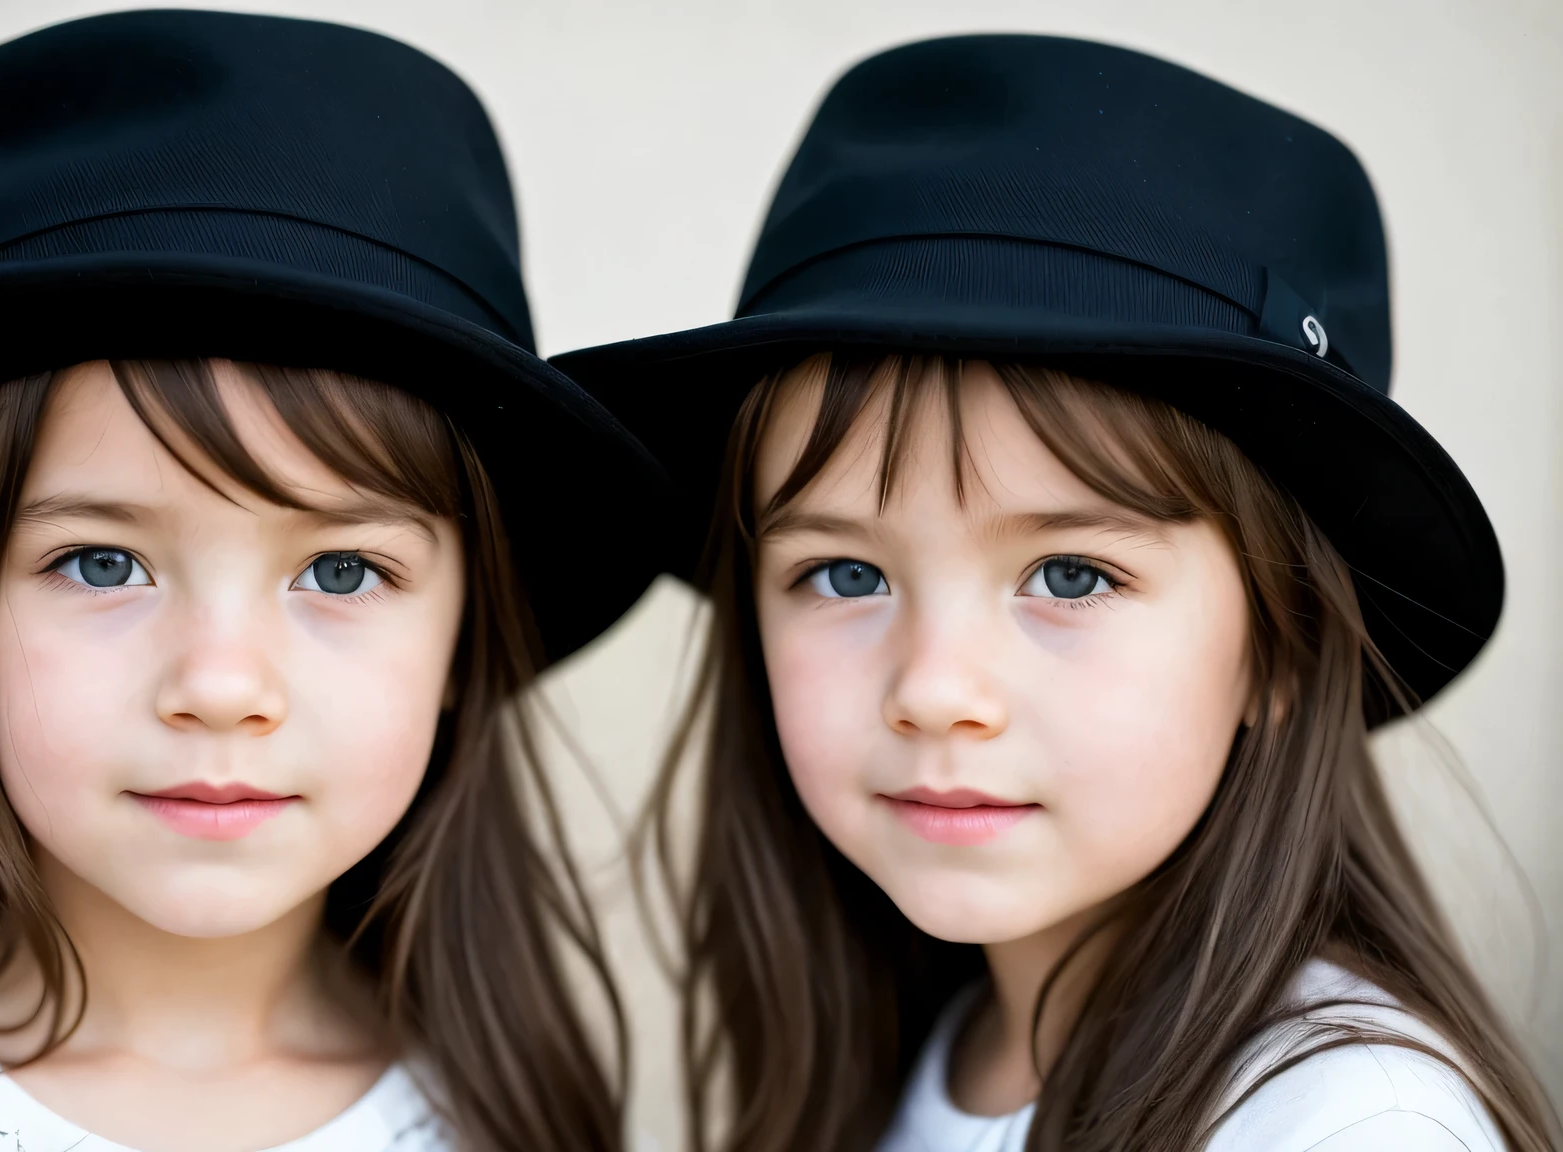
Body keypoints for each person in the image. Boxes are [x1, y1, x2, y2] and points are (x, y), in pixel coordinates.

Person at [0, 11, 664, 1152]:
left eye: (342, 568)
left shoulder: (513, 1110)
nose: (221, 684)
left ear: (465, 636)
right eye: (102, 562)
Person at [555, 34, 1557, 1152]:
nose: (934, 693)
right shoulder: (900, 1058)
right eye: (845, 574)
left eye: (1069, 576)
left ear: (1283, 642)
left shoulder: (1343, 1120)